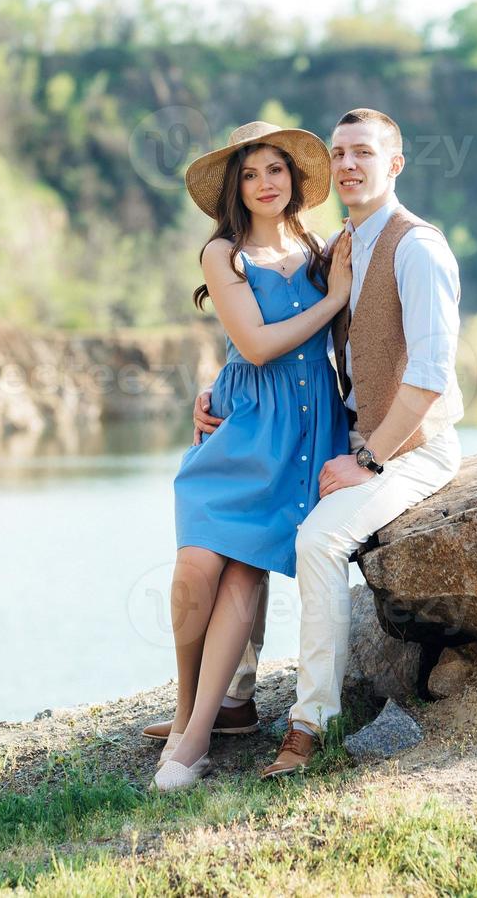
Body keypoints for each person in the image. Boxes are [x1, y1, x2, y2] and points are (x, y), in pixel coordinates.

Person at [193, 108, 466, 779]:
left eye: (363, 153)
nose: (348, 165)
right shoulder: (337, 245)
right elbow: (275, 332)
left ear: (394, 164)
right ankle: (231, 696)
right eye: (339, 153)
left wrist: (369, 457)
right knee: (253, 507)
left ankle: (311, 722)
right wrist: (217, 397)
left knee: (318, 541)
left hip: (411, 446)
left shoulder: (418, 248)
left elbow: (430, 377)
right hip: (347, 432)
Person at [153, 121, 353, 792]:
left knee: (243, 576)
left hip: (303, 430)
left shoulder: (319, 246)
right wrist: (332, 301)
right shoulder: (224, 254)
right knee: (194, 570)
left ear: (293, 180)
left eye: (276, 169)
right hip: (244, 430)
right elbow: (260, 345)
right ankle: (187, 714)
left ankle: (197, 738)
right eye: (250, 173)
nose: (265, 183)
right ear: (235, 189)